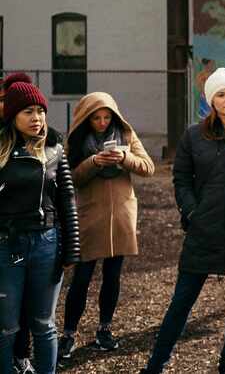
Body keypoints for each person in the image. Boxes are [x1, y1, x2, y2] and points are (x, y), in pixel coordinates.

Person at [140, 68, 225, 374]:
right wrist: (192, 212)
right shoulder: (193, 135)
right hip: (204, 230)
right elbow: (181, 178)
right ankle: (155, 365)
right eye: (221, 94)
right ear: (211, 99)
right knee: (182, 300)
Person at [57, 92, 156, 359]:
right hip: (90, 214)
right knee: (82, 277)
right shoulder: (75, 142)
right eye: (96, 118)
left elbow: (148, 167)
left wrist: (123, 158)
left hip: (122, 213)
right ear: (86, 119)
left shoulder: (126, 135)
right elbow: (70, 178)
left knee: (113, 275)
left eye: (106, 117)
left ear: (114, 116)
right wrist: (93, 162)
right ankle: (68, 333)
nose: (102, 122)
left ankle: (104, 329)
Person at [0, 78, 81, 374]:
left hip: (46, 243)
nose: (37, 118)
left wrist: (72, 248)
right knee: (7, 326)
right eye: (28, 112)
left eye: (40, 111)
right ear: (12, 116)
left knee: (44, 325)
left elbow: (66, 200)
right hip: (7, 246)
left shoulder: (54, 149)